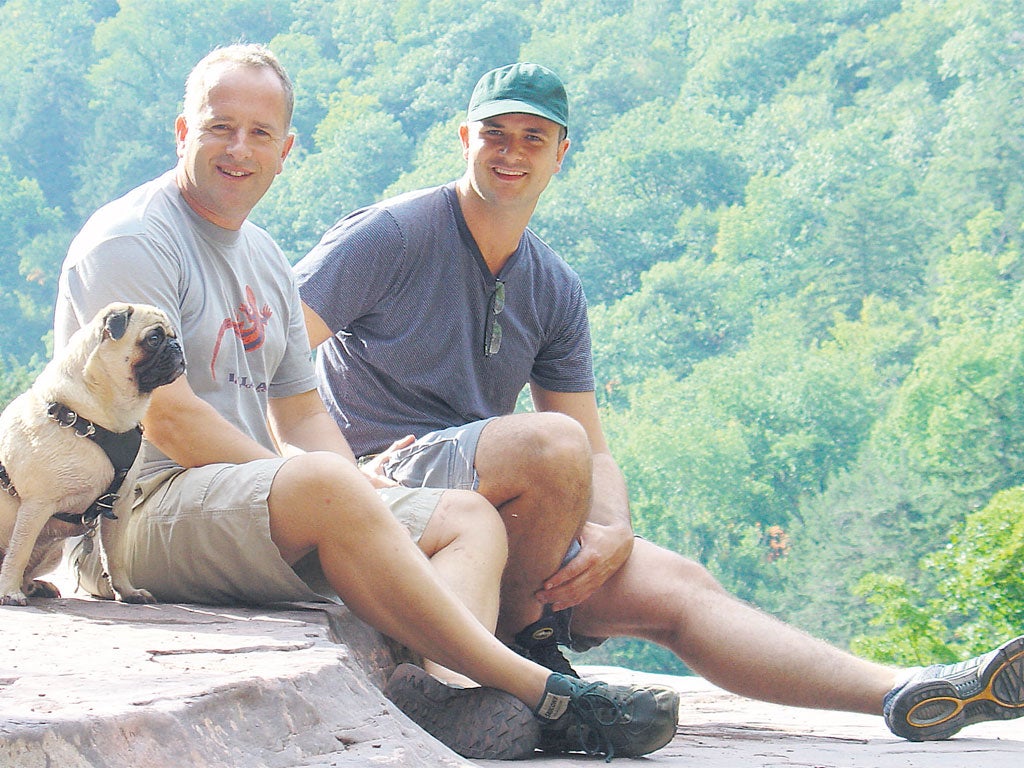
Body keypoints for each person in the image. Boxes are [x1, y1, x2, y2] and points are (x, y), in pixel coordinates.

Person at [295, 61, 1024, 750]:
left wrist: (612, 528)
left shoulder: (552, 285)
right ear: (464, 140)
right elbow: (273, 351)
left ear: (560, 154)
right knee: (546, 448)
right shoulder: (391, 235)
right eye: (494, 134)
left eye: (533, 138)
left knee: (676, 585)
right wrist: (330, 476)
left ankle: (909, 691)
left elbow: (594, 446)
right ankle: (523, 658)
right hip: (381, 489)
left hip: (492, 506)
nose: (511, 153)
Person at [52, 46, 681, 762]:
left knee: (465, 516)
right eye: (220, 126)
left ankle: (442, 696)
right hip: (132, 515)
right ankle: (547, 693)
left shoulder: (256, 254)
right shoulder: (134, 239)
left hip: (229, 500)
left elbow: (302, 412)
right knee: (326, 484)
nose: (239, 148)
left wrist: (351, 485)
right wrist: (313, 487)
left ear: (286, 149)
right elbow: (169, 416)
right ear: (181, 131)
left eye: (260, 133)